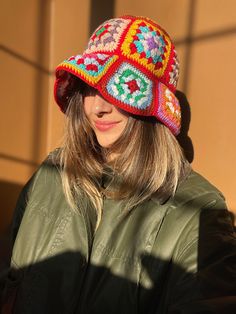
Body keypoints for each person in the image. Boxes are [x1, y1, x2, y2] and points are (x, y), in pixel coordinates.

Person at [1, 15, 236, 313]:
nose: (98, 107)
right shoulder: (52, 173)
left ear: (156, 107)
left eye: (120, 88)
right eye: (90, 87)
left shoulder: (200, 210)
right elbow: (10, 273)